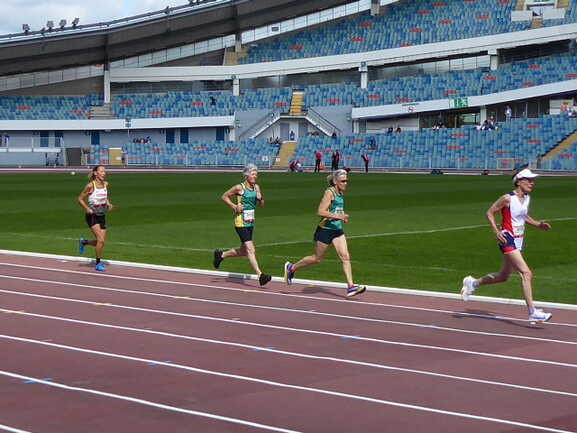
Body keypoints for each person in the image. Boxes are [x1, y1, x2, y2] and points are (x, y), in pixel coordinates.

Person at [461, 168, 552, 322]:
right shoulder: (507, 198)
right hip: (507, 239)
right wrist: (496, 231)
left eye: (533, 180)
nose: (532, 183)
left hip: (518, 240)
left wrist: (538, 224)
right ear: (519, 181)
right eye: (529, 180)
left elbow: (523, 215)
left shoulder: (527, 198)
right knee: (526, 273)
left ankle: (473, 283)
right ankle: (532, 312)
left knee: (503, 276)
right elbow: (490, 213)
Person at [283, 169, 366, 297]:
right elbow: (320, 211)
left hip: (337, 230)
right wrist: (339, 216)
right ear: (335, 182)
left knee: (345, 256)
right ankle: (291, 268)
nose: (345, 183)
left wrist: (342, 216)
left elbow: (336, 210)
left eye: (346, 181)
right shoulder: (329, 193)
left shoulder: (340, 193)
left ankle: (351, 287)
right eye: (343, 181)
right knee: (317, 259)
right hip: (325, 230)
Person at [213, 163, 271, 286]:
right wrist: (234, 206)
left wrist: (260, 198)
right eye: (253, 174)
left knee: (244, 251)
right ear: (246, 175)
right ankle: (261, 275)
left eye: (256, 174)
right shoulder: (239, 187)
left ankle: (221, 255)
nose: (255, 176)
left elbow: (262, 205)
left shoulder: (256, 187)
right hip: (240, 222)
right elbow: (224, 196)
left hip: (250, 222)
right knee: (251, 249)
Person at [77, 165, 114, 272]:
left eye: (104, 171)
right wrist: (87, 208)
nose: (104, 173)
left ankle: (84, 242)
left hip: (102, 215)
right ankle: (98, 263)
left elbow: (104, 196)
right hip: (92, 216)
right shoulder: (90, 186)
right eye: (101, 171)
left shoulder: (105, 184)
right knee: (101, 240)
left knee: (101, 242)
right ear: (95, 173)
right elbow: (80, 199)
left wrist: (108, 203)